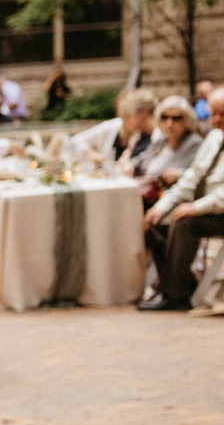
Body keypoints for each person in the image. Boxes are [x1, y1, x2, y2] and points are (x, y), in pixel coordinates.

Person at [140, 87, 224, 312]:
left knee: (184, 223)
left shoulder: (197, 139)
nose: (216, 120)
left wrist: (195, 207)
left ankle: (174, 295)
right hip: (207, 205)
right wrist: (162, 206)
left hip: (219, 210)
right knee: (156, 221)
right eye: (213, 113)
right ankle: (182, 284)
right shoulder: (215, 137)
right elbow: (192, 177)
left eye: (222, 114)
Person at [66, 88, 157, 169]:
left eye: (128, 116)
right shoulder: (114, 127)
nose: (124, 119)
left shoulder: (143, 134)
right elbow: (75, 141)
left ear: (143, 115)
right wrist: (92, 153)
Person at [138, 97, 203, 191]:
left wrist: (180, 174)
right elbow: (143, 157)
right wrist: (129, 164)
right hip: (145, 188)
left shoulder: (194, 143)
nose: (169, 123)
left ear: (187, 120)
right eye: (164, 117)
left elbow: (202, 172)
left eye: (176, 118)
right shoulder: (162, 139)